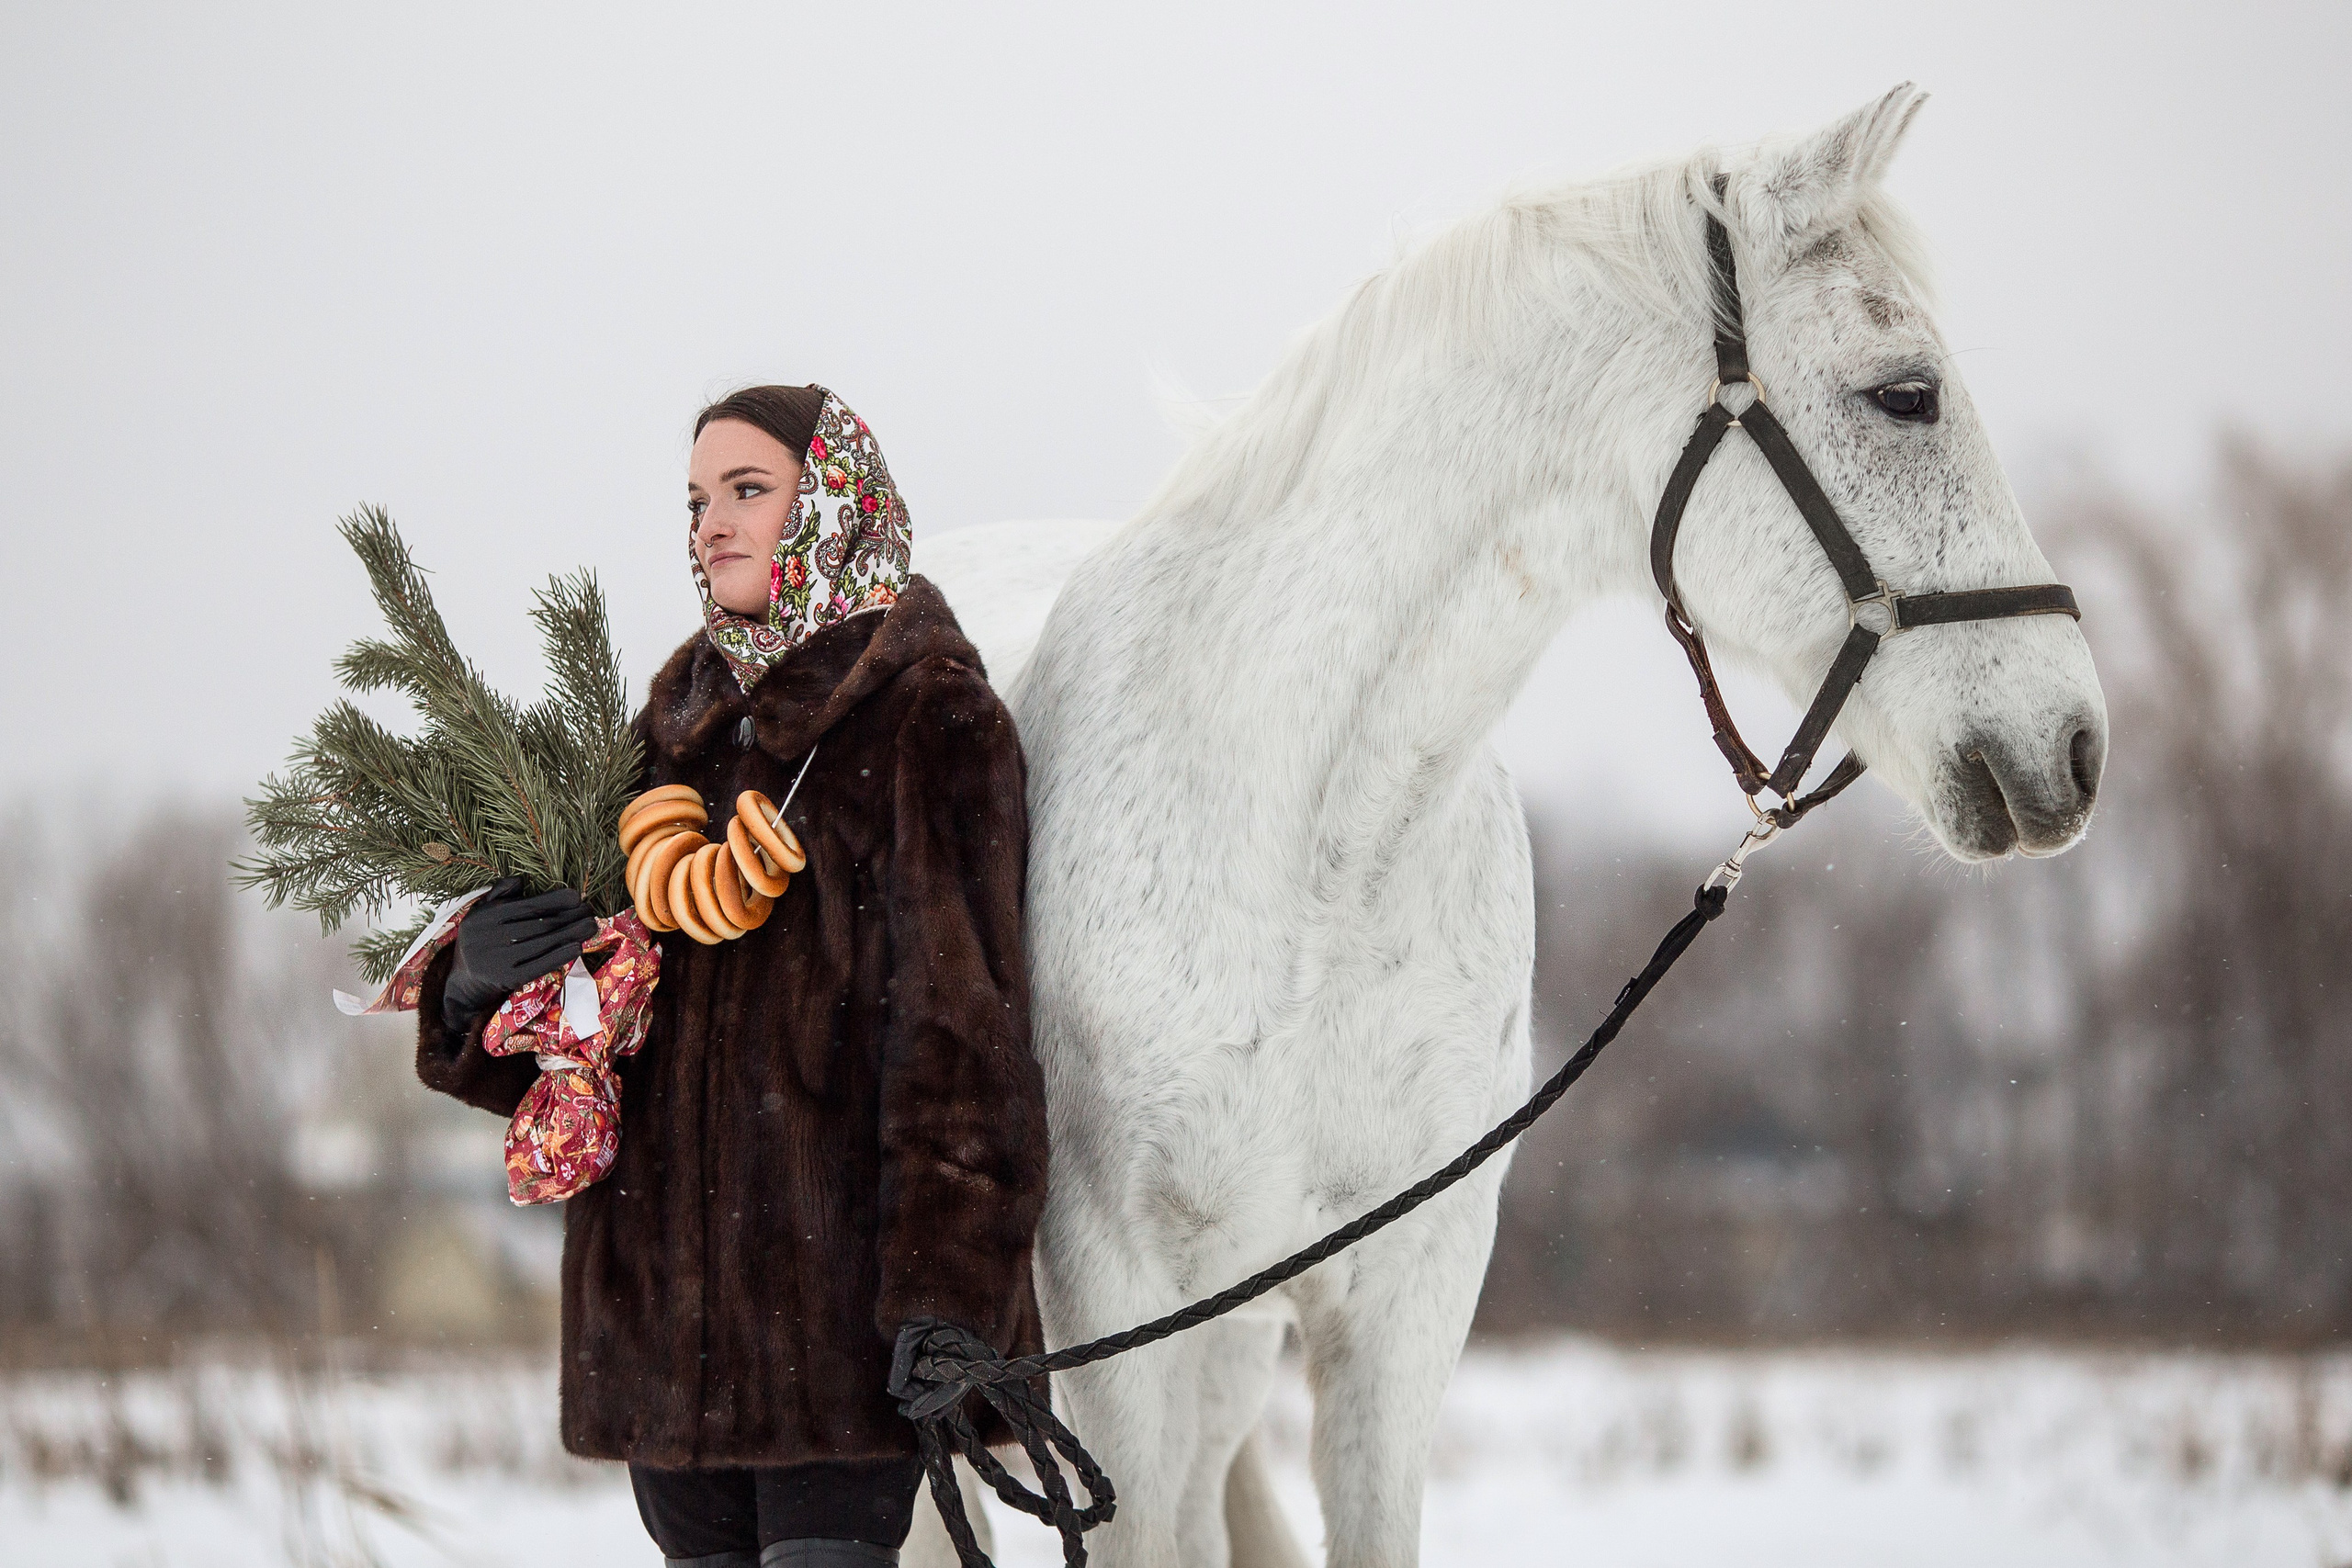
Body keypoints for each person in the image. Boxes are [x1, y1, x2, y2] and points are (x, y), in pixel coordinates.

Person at [413, 384, 1048, 1568]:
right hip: (662, 1346)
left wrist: (947, 1301)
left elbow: (967, 1047)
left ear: (834, 503)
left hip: (839, 1347)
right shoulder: (664, 734)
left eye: (748, 490)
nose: (710, 523)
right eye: (698, 499)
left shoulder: (931, 718)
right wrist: (479, 992)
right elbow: (596, 1047)